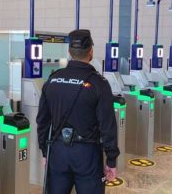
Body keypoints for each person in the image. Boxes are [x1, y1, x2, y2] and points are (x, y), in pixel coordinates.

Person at [37, 29, 119, 194]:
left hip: (58, 151)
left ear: (69, 52)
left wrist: (45, 151)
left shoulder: (52, 80)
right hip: (87, 154)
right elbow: (107, 126)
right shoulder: (99, 83)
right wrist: (111, 160)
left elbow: (42, 121)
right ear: (91, 52)